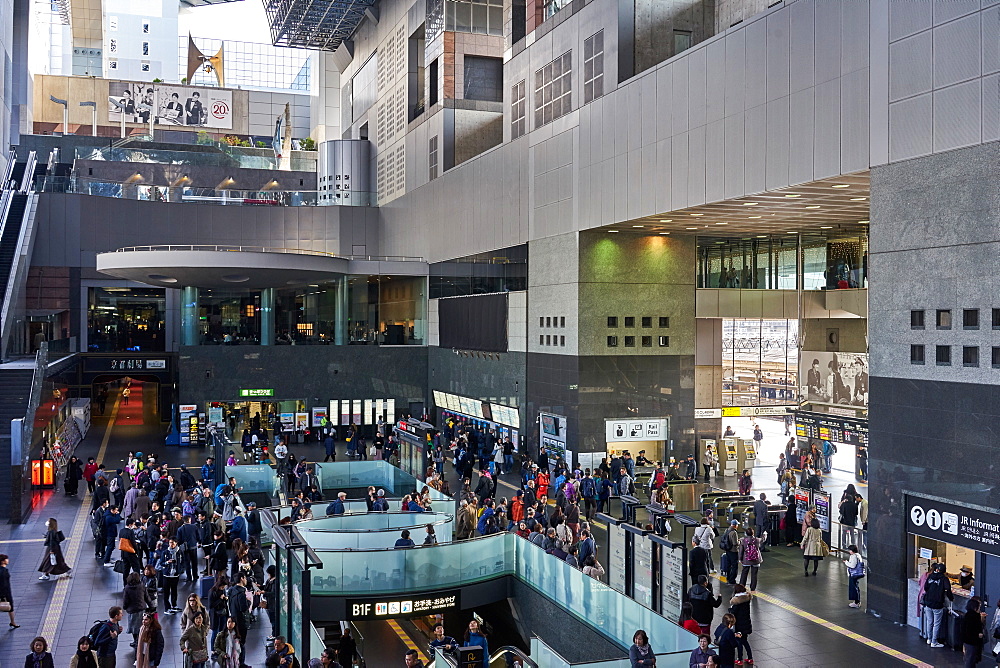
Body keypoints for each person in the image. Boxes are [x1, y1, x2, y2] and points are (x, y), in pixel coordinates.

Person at [922, 562, 953, 647]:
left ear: (937, 569)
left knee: (930, 621)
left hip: (928, 602)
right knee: (936, 623)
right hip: (937, 603)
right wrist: (951, 598)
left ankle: (929, 639)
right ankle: (934, 642)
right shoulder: (944, 579)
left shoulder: (930, 576)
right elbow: (948, 590)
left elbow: (926, 587)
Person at [729, 584, 753, 665]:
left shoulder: (737, 602)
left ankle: (740, 659)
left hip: (739, 626)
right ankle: (750, 658)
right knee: (745, 642)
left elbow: (732, 612)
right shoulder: (747, 599)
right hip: (746, 624)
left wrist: (730, 609)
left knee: (739, 642)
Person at [737, 527, 763, 591]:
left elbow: (741, 551)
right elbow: (763, 539)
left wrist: (740, 559)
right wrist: (765, 534)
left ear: (746, 533)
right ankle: (753, 588)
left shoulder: (743, 540)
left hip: (746, 560)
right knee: (754, 574)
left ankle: (742, 586)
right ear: (753, 533)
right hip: (756, 560)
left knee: (744, 573)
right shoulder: (757, 540)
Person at [963, 596, 985, 667]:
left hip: (968, 642)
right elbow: (970, 631)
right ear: (975, 608)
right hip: (972, 642)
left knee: (969, 659)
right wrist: (978, 635)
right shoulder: (973, 617)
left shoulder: (967, 615)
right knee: (970, 660)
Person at [719, 520, 740, 584]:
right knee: (734, 566)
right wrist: (739, 542)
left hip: (727, 550)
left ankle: (728, 577)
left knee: (729, 565)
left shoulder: (727, 530)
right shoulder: (734, 532)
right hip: (733, 551)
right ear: (735, 525)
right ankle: (732, 580)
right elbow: (735, 543)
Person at [0, 553, 17, 628]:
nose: (8, 560)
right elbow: (4, 584)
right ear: (3, 561)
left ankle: (13, 622)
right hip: (5, 592)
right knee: (10, 607)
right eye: (6, 559)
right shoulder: (4, 571)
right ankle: (13, 622)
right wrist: (3, 595)